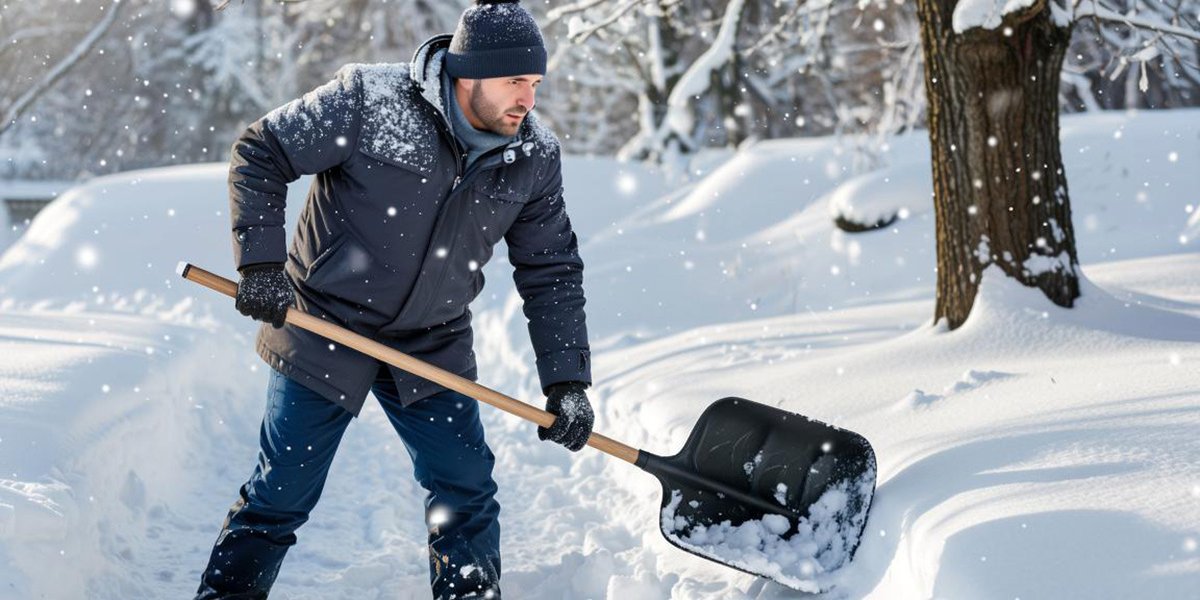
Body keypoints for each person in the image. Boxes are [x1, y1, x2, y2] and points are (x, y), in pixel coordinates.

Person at [194, 2, 592, 598]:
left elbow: (551, 270)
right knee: (282, 492)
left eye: (534, 84)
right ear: (469, 73)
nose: (527, 100)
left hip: (433, 337)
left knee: (466, 492)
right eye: (515, 81)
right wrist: (260, 265)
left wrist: (567, 383)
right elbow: (261, 151)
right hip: (322, 323)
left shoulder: (531, 156)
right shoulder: (369, 101)